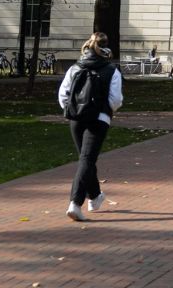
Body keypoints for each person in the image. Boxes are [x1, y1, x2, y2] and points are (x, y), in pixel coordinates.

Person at [58, 32, 123, 221]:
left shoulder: (75, 67)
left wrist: (72, 110)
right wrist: (105, 112)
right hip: (99, 119)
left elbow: (63, 94)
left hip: (76, 119)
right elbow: (116, 100)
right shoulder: (112, 70)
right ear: (106, 49)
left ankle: (95, 196)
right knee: (87, 159)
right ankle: (75, 203)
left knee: (86, 159)